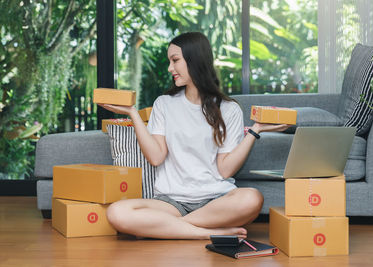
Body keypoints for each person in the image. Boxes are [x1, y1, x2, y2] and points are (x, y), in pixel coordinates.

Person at [99, 32, 289, 240]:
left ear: (195, 60)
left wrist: (256, 130)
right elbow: (155, 157)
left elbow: (225, 170)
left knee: (252, 198)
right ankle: (207, 233)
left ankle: (167, 229)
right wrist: (133, 113)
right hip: (171, 202)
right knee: (116, 212)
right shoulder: (164, 104)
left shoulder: (228, 109)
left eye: (175, 60)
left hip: (216, 201)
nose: (170, 68)